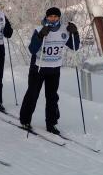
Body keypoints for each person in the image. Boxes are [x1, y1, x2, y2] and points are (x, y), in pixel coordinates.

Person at [18, 7, 80, 135]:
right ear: (46, 17)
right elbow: (32, 49)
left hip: (54, 68)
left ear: (59, 17)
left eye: (55, 17)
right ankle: (25, 120)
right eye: (50, 16)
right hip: (39, 67)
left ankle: (51, 123)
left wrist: (75, 33)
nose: (53, 19)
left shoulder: (64, 30)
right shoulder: (39, 29)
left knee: (52, 97)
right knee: (32, 94)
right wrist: (40, 36)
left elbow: (75, 47)